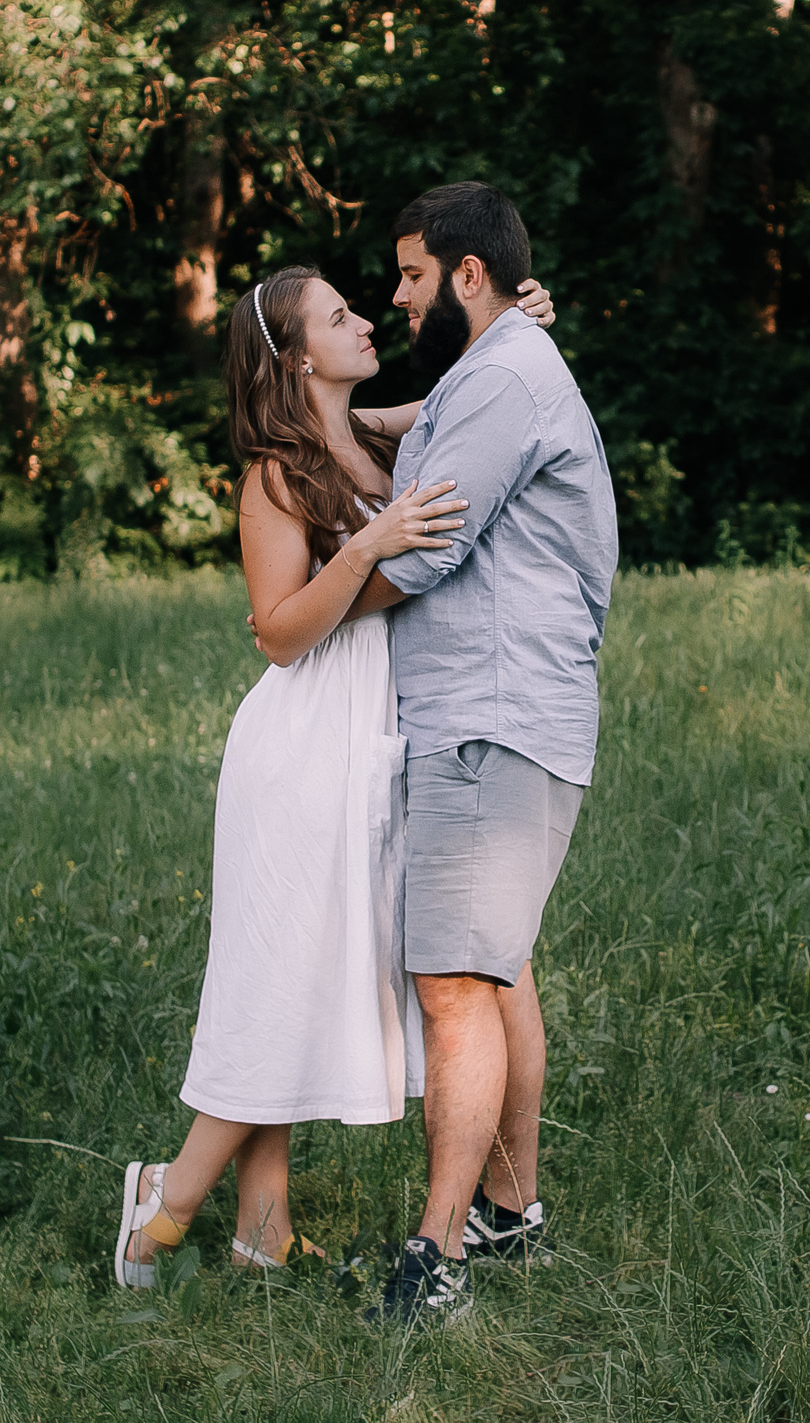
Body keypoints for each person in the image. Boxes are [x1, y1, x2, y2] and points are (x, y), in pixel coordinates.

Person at [113, 265, 556, 1285]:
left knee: (297, 976)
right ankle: (166, 1200)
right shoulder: (274, 473)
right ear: (302, 355)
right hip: (303, 747)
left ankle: (260, 1227)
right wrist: (373, 546)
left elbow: (448, 401)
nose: (366, 320)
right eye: (340, 316)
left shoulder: (364, 440)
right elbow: (276, 634)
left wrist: (512, 327)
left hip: (369, 743)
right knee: (276, 981)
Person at [360, 183, 620, 1326]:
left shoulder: (504, 377)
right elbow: (412, 439)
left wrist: (299, 608)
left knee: (455, 986)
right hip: (506, 712)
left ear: (468, 275)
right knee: (496, 966)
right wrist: (316, 413)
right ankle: (507, 1220)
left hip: (491, 713)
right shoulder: (492, 373)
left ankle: (437, 1261)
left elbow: (422, 548)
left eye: (413, 274)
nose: (399, 295)